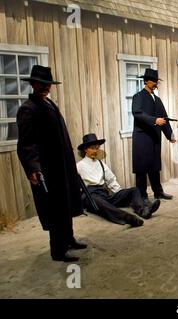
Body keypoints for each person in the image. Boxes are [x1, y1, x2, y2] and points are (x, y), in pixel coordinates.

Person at [16, 65, 86, 262]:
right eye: (41, 84)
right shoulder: (28, 109)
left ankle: (69, 238)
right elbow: (26, 144)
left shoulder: (49, 104)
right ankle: (58, 250)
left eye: (47, 84)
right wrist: (33, 168)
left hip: (61, 165)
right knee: (55, 210)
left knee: (65, 206)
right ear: (33, 84)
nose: (45, 87)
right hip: (48, 169)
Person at [77, 133, 161, 227]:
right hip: (91, 196)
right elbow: (75, 186)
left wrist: (121, 194)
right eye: (92, 148)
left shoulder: (100, 163)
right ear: (85, 149)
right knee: (100, 202)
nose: (95, 151)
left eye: (97, 148)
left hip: (104, 194)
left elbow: (111, 180)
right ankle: (128, 218)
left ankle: (143, 211)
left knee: (134, 190)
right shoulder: (79, 166)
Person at [132, 68, 176, 201]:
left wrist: (170, 135)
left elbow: (164, 117)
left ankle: (158, 192)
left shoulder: (157, 99)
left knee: (155, 166)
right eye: (153, 80)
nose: (156, 83)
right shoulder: (138, 97)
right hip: (142, 136)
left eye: (157, 81)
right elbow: (137, 113)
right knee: (142, 167)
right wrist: (154, 120)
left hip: (155, 136)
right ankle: (142, 195)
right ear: (146, 81)